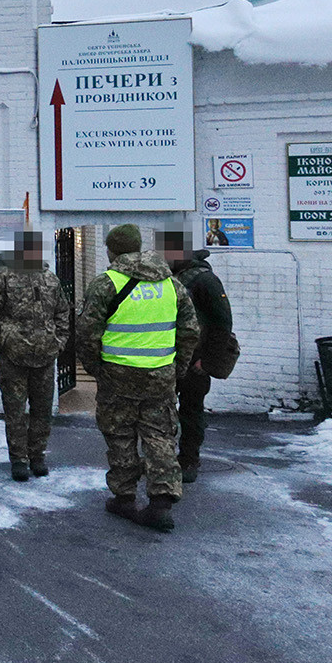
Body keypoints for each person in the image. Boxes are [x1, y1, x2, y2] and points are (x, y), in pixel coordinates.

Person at [77, 224, 200, 533]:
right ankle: (161, 504)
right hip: (160, 375)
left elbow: (86, 333)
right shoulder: (172, 285)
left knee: (120, 435)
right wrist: (177, 368)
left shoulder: (107, 284)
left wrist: (96, 369)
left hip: (118, 375)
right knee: (160, 436)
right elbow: (189, 331)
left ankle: (124, 497)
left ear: (111, 250)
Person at [0, 230, 70, 482]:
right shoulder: (2, 278)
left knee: (42, 411)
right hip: (14, 357)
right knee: (15, 412)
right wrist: (2, 344)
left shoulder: (50, 280)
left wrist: (58, 343)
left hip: (45, 357)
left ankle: (37, 456)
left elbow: (62, 313)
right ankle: (18, 459)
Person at [157, 230, 233, 481]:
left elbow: (223, 322)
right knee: (163, 410)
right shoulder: (169, 276)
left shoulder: (204, 280)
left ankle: (189, 459)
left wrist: (208, 361)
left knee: (191, 411)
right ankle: (165, 457)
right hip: (170, 356)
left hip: (196, 359)